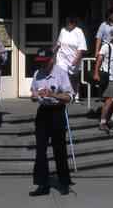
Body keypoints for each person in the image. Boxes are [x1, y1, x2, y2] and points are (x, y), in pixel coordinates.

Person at [29, 47, 73, 196]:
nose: (43, 65)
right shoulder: (37, 74)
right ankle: (42, 184)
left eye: (45, 62)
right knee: (40, 150)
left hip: (57, 113)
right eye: (40, 62)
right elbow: (33, 92)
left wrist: (53, 94)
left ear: (51, 59)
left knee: (59, 149)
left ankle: (64, 182)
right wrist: (35, 97)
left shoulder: (61, 73)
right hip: (43, 113)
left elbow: (70, 97)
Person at [53, 16, 87, 102]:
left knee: (74, 77)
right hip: (62, 57)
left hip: (74, 58)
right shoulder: (63, 30)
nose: (68, 24)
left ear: (74, 23)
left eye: (70, 22)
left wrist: (75, 59)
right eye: (67, 22)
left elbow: (81, 47)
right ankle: (64, 94)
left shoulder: (79, 32)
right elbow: (59, 43)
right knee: (62, 74)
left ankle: (76, 93)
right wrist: (53, 51)